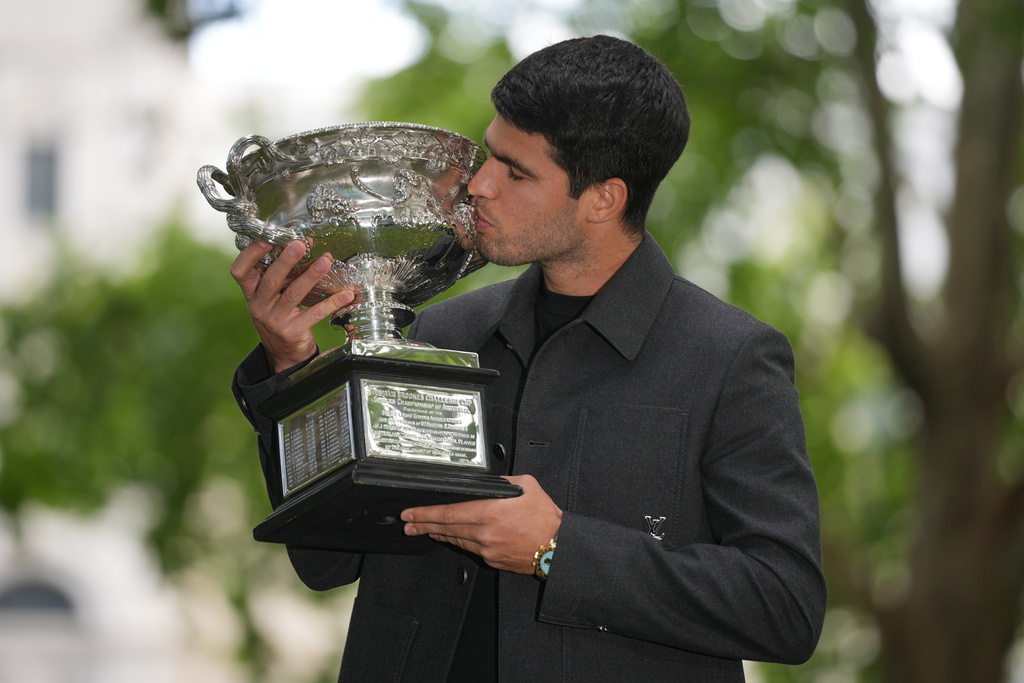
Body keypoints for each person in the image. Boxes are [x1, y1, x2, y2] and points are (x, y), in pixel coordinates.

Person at [230, 35, 826, 683]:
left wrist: (556, 549)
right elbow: (327, 561)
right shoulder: (437, 329)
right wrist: (292, 368)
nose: (479, 185)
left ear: (604, 198)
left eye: (516, 172)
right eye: (489, 155)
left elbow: (785, 605)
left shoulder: (731, 357)